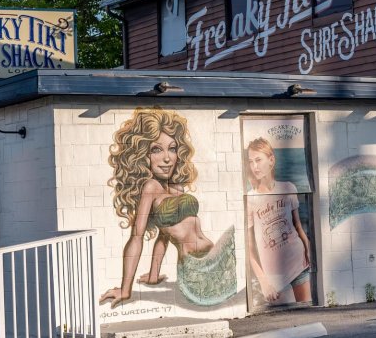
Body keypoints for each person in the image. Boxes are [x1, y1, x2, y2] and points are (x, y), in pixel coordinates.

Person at [100, 108, 236, 308]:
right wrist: (125, 289)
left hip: (210, 260)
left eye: (172, 148)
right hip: (196, 271)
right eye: (157, 149)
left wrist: (154, 275)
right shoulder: (150, 187)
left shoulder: (173, 187)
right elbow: (136, 237)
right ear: (142, 155)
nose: (167, 158)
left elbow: (164, 236)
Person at [244, 138, 312, 304]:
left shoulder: (289, 188)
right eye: (251, 162)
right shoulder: (250, 198)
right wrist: (264, 282)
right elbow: (250, 247)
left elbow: (297, 226)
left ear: (271, 160)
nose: (255, 167)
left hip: (298, 263)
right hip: (273, 276)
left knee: (306, 313)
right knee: (278, 320)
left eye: (258, 160)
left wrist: (308, 249)